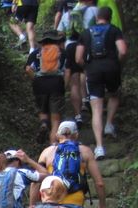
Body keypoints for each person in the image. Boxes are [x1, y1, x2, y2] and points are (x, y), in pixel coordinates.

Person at [76, 6, 128, 160]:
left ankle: (99, 147)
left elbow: (78, 58)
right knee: (114, 94)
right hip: (111, 67)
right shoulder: (114, 30)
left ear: (97, 17)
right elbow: (123, 51)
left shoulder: (86, 32)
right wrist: (118, 63)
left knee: (96, 108)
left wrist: (87, 67)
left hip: (93, 70)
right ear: (110, 17)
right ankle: (109, 125)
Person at [57, 0, 98, 127]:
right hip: (87, 46)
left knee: (74, 82)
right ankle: (89, 102)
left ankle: (78, 116)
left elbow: (60, 33)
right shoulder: (94, 10)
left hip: (70, 46)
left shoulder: (67, 14)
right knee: (87, 72)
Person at [26, 30, 67, 144]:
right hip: (56, 84)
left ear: (43, 41)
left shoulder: (36, 53)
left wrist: (35, 79)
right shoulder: (62, 52)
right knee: (55, 121)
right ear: (56, 41)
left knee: (43, 110)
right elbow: (67, 71)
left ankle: (44, 124)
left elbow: (28, 69)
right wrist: (65, 84)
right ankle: (53, 146)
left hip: (39, 85)